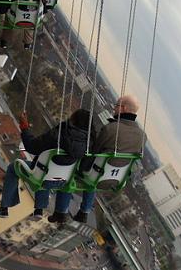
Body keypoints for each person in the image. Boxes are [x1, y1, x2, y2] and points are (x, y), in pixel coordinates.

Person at [52, 94, 145, 223]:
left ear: (123, 108)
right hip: (114, 180)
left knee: (73, 168)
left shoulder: (111, 129)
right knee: (98, 172)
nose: (114, 109)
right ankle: (84, 211)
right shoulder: (142, 136)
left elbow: (93, 151)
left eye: (116, 106)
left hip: (96, 174)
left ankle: (60, 212)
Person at [0, 108, 95, 220]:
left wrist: (24, 128)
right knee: (46, 169)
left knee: (14, 167)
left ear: (73, 120)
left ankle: (4, 208)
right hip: (64, 181)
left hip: (43, 176)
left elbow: (32, 147)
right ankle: (39, 210)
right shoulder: (88, 144)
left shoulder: (59, 134)